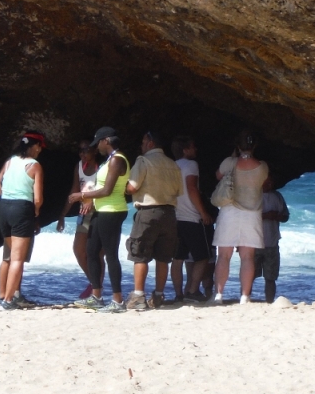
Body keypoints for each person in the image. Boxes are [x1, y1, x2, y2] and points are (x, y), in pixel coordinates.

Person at [68, 127, 130, 313]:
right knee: (91, 250)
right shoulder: (110, 160)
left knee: (110, 255)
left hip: (112, 210)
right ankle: (96, 296)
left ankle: (118, 301)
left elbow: (107, 190)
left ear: (107, 140)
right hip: (101, 211)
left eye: (99, 143)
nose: (98, 148)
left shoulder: (118, 160)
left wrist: (81, 195)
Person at [124, 130, 183, 310]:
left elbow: (132, 187)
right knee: (163, 257)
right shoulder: (173, 164)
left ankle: (139, 296)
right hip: (169, 214)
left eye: (143, 142)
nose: (141, 146)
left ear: (150, 143)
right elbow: (179, 191)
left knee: (140, 254)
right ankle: (158, 296)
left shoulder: (143, 161)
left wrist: (124, 188)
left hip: (148, 212)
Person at [212, 130, 269, 303]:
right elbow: (263, 183)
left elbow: (218, 176)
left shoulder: (230, 163)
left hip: (229, 211)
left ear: (237, 146)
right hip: (252, 214)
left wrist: (233, 157)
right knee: (247, 257)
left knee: (223, 256)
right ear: (255, 146)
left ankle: (219, 295)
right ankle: (245, 296)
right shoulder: (263, 167)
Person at [0, 132, 46, 311]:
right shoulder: (35, 165)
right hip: (22, 208)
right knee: (18, 258)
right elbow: (38, 198)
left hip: (4, 208)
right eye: (39, 147)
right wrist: (36, 213)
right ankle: (9, 300)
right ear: (33, 146)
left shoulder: (9, 162)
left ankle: (2, 295)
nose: (40, 150)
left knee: (7, 256)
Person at [170, 136, 215, 302]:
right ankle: (193, 290)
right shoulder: (191, 165)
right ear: (185, 150)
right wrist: (203, 212)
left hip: (175, 218)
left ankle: (178, 294)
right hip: (191, 218)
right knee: (203, 256)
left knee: (177, 258)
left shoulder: (171, 166)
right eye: (192, 147)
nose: (195, 150)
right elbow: (191, 188)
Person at [57, 139, 100, 298]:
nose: (83, 154)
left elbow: (107, 191)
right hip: (83, 213)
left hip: (99, 212)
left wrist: (92, 202)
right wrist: (62, 215)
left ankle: (96, 291)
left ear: (95, 151)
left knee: (96, 253)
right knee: (78, 250)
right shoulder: (79, 167)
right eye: (80, 151)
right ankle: (94, 283)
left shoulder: (101, 168)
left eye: (86, 150)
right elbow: (75, 190)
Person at [255, 175, 290, 303]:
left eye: (271, 181)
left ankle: (269, 301)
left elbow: (286, 216)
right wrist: (265, 215)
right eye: (266, 181)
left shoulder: (277, 196)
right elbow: (246, 217)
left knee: (271, 277)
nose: (269, 184)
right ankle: (245, 298)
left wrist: (277, 216)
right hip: (254, 242)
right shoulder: (253, 196)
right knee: (249, 275)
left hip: (272, 242)